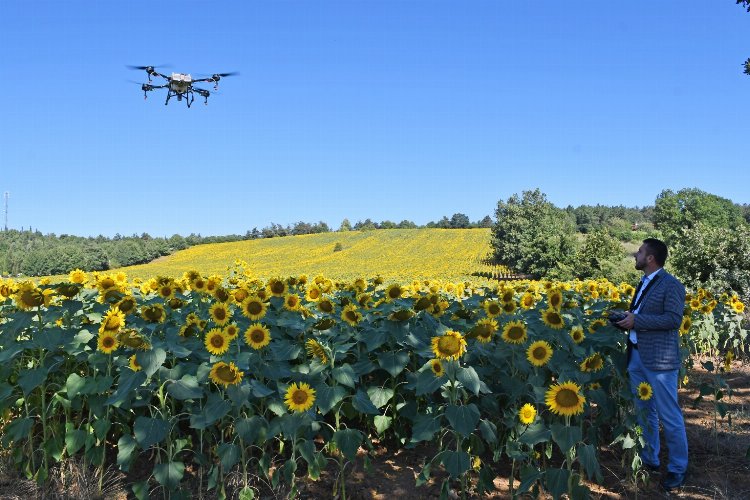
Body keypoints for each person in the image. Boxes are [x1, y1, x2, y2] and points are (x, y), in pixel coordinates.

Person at [615, 238, 688, 491]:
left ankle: (678, 469)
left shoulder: (671, 285)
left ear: (650, 259)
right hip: (637, 355)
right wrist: (626, 318)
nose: (636, 254)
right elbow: (643, 315)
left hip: (660, 360)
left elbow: (672, 319)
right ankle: (650, 459)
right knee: (645, 411)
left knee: (670, 415)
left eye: (640, 251)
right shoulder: (645, 282)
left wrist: (638, 321)